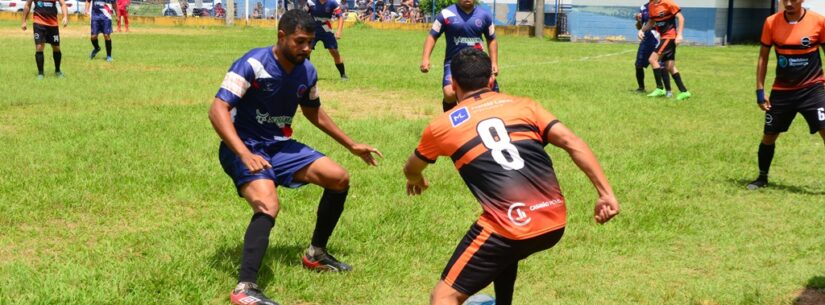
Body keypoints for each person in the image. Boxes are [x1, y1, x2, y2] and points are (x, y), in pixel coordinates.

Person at [404, 48, 620, 305]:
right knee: (504, 250)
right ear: (491, 81)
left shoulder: (442, 126)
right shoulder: (526, 106)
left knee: (443, 296)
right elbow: (572, 142)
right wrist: (605, 193)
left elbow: (411, 168)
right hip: (553, 220)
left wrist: (416, 179)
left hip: (510, 226)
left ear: (453, 85)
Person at [208, 9, 382, 305]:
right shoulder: (252, 63)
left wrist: (351, 144)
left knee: (338, 177)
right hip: (244, 144)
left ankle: (316, 253)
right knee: (268, 202)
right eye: (300, 41)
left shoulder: (307, 71)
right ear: (281, 36)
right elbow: (217, 109)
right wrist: (243, 152)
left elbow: (313, 112)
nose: (306, 48)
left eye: (310, 42)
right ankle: (245, 288)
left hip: (278, 145)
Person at [749, 0, 825, 189]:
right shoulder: (771, 22)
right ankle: (762, 177)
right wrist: (760, 90)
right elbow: (763, 57)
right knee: (769, 136)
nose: (789, 3)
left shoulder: (819, 21)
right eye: (785, 0)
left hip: (813, 89)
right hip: (783, 92)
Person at [420, 0, 498, 112]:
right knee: (449, 93)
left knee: (490, 91)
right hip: (454, 62)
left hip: (478, 60)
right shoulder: (446, 14)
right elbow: (432, 36)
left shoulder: (484, 15)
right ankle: (452, 121)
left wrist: (494, 62)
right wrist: (425, 59)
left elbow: (492, 39)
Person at [637, 0, 691, 100]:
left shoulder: (668, 2)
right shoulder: (652, 5)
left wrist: (679, 34)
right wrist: (642, 30)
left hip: (669, 37)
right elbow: (651, 21)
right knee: (669, 66)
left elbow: (681, 18)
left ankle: (660, 88)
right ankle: (684, 91)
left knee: (652, 60)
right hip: (664, 37)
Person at [20, 0, 68, 79]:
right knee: (39, 47)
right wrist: (23, 21)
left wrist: (65, 16)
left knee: (56, 48)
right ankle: (40, 73)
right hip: (39, 23)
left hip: (53, 24)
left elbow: (63, 4)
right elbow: (27, 5)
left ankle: (58, 71)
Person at [307, 0, 348, 80]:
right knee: (306, 51)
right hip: (313, 30)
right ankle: (305, 75)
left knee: (334, 51)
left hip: (326, 29)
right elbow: (302, 15)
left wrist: (339, 31)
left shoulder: (333, 3)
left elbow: (340, 17)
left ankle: (343, 74)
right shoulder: (311, 2)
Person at [633, 2, 668, 93]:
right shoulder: (643, 7)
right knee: (638, 64)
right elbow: (642, 24)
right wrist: (638, 18)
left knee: (660, 64)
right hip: (646, 37)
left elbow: (657, 20)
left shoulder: (662, 4)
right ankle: (641, 88)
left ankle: (664, 89)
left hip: (657, 37)